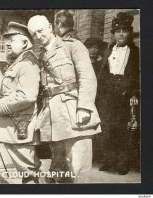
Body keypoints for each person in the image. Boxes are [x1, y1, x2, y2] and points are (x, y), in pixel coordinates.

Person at [27, 15, 101, 183]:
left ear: (50, 27)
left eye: (40, 31)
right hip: (51, 117)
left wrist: (84, 107)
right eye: (34, 34)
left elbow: (87, 77)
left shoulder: (71, 46)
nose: (38, 36)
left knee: (78, 167)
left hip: (73, 111)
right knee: (59, 168)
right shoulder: (39, 55)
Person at [0, 22, 41, 184]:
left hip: (17, 130)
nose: (7, 43)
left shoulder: (28, 64)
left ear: (25, 43)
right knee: (7, 178)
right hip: (7, 131)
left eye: (12, 39)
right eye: (6, 39)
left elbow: (27, 96)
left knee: (23, 177)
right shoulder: (17, 62)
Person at [98, 12, 140, 175]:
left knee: (123, 128)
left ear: (129, 33)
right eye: (118, 31)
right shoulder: (109, 51)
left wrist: (134, 92)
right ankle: (108, 160)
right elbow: (103, 73)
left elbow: (137, 74)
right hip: (109, 91)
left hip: (126, 91)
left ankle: (122, 162)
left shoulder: (135, 52)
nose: (121, 34)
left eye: (124, 31)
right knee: (108, 127)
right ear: (114, 34)